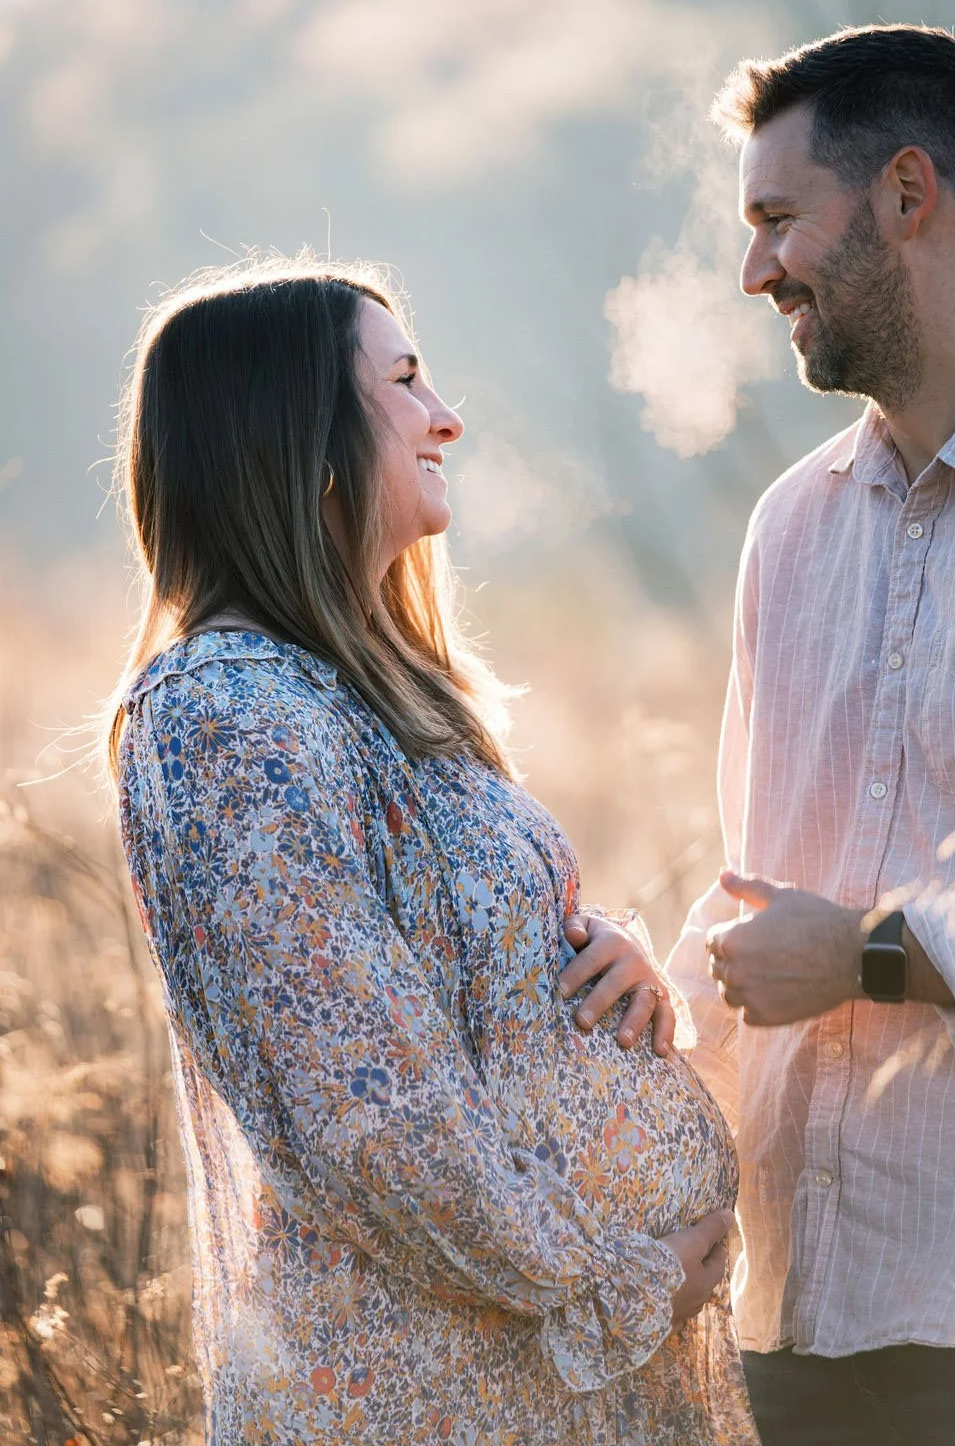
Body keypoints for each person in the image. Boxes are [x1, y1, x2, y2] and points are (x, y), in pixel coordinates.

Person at [108, 261, 758, 1444]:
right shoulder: (228, 713)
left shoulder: (357, 691)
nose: (446, 415)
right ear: (293, 433)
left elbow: (430, 981)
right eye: (405, 382)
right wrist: (622, 1285)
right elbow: (370, 1116)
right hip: (433, 1393)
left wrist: (600, 966)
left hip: (523, 1380)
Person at [662, 24, 955, 1444]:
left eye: (776, 220)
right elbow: (764, 884)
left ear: (907, 196)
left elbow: (836, 934)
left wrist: (875, 954)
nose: (754, 273)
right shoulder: (789, 529)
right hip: (793, 1321)